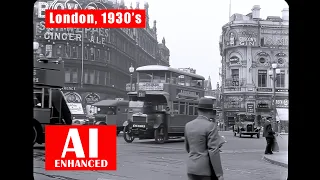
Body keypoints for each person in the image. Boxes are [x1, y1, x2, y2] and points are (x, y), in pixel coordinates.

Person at [184, 97, 224, 180]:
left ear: (198, 110)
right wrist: (219, 174)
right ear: (210, 112)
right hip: (205, 170)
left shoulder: (188, 125)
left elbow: (188, 148)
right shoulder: (210, 126)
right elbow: (213, 151)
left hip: (191, 169)